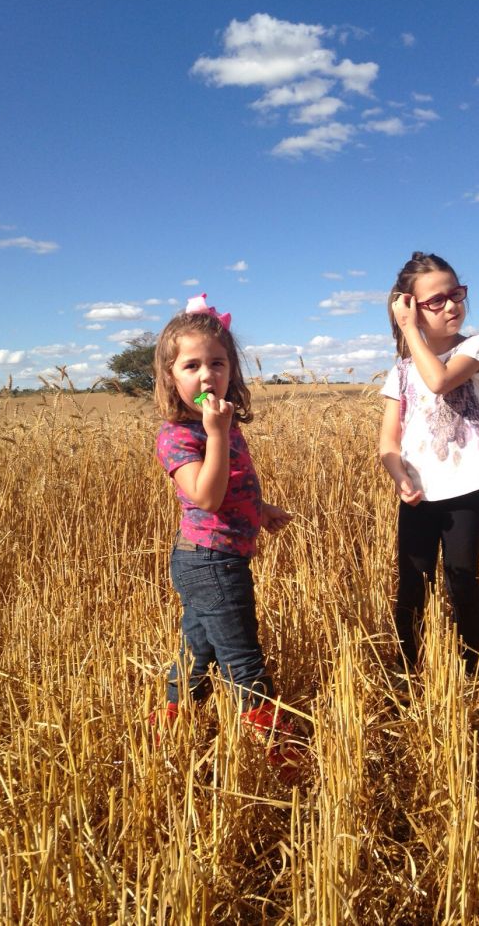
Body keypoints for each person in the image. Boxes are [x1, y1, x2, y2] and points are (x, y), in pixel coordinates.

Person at [151, 293, 300, 779]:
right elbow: (206, 498)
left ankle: (170, 722)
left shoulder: (225, 425)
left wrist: (260, 511)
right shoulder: (179, 435)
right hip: (209, 561)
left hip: (218, 556)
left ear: (232, 370)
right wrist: (215, 434)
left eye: (217, 363)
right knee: (242, 655)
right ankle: (278, 748)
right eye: (191, 364)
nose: (206, 374)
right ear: (171, 377)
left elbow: (231, 491)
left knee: (198, 650)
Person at [379, 252, 479, 675]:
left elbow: (437, 379)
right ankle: (406, 672)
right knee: (412, 584)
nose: (452, 305)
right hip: (418, 494)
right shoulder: (399, 372)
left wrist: (408, 329)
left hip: (467, 488)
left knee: (462, 579)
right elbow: (387, 442)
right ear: (411, 305)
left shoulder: (475, 348)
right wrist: (399, 476)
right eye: (437, 300)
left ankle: (475, 673)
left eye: (456, 294)